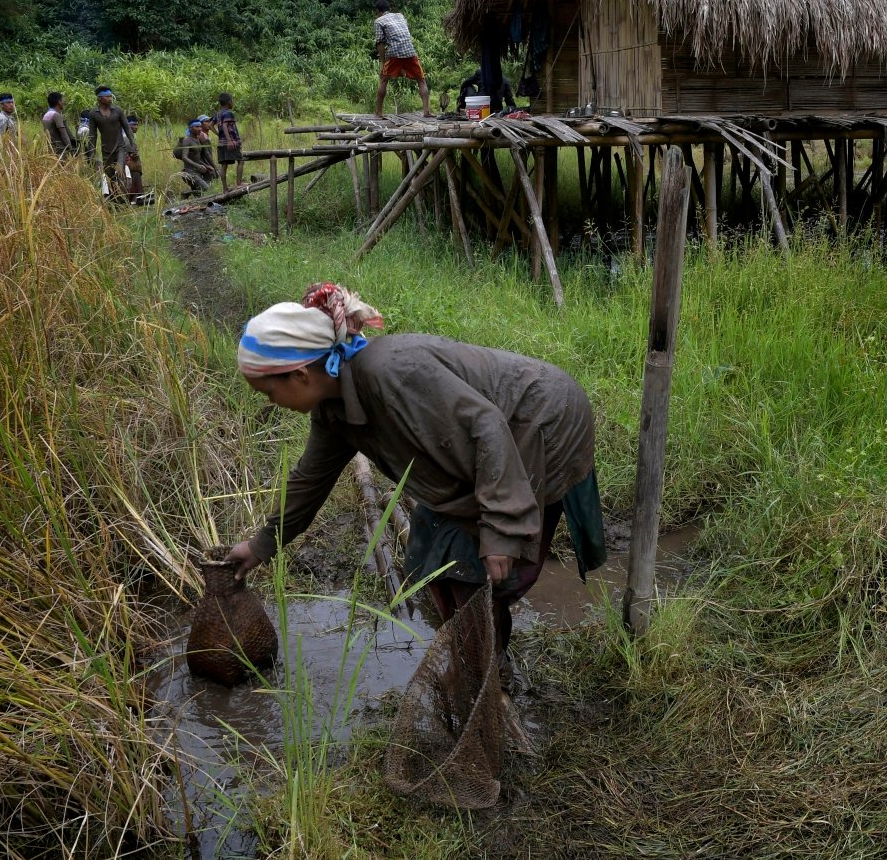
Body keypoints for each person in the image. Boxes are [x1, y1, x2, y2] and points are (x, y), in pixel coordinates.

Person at [225, 283, 607, 677]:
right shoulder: (332, 408)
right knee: (435, 560)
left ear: (301, 374)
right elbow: (310, 480)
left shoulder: (394, 374)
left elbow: (489, 427)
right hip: (483, 445)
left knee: (486, 570)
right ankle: (477, 657)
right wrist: (260, 546)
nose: (271, 402)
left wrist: (502, 528)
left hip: (539, 420)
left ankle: (488, 667)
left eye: (268, 392)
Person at [372, 0, 431, 118]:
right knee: (421, 80)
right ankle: (427, 111)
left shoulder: (378, 21)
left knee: (384, 79)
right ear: (389, 8)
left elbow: (380, 43)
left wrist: (383, 62)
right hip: (410, 51)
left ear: (378, 11)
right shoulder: (400, 15)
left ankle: (378, 112)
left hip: (394, 52)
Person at [88, 86, 143, 200]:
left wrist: (133, 143)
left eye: (110, 96)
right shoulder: (94, 114)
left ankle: (124, 196)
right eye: (107, 96)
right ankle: (115, 200)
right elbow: (93, 135)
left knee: (119, 170)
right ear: (99, 98)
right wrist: (91, 152)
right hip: (106, 150)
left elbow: (127, 128)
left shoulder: (117, 111)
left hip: (120, 148)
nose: (110, 98)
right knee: (110, 175)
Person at [173, 119, 219, 191]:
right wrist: (197, 166)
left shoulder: (197, 139)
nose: (200, 129)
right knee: (207, 189)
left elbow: (197, 158)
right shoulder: (187, 141)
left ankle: (192, 193)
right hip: (190, 173)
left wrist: (207, 166)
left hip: (199, 171)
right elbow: (184, 157)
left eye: (200, 126)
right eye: (197, 127)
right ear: (190, 128)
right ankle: (188, 194)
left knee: (213, 182)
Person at [214, 92, 245, 192]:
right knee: (241, 160)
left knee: (224, 165)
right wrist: (229, 140)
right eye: (232, 100)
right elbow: (224, 126)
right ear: (229, 102)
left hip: (221, 143)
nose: (233, 103)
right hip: (231, 142)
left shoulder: (218, 114)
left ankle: (225, 189)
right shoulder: (228, 113)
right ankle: (239, 183)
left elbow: (210, 125)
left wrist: (219, 135)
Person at [42, 92, 75, 158]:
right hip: (60, 151)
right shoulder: (56, 115)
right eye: (62, 100)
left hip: (51, 149)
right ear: (59, 102)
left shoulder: (46, 114)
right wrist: (71, 148)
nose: (63, 103)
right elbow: (64, 135)